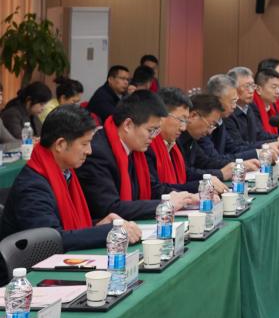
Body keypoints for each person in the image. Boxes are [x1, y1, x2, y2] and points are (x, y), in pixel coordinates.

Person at [0, 105, 143, 250]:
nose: (89, 151)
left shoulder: (65, 173)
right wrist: (108, 232)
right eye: (84, 144)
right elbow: (49, 241)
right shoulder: (32, 187)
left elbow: (68, 227)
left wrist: (99, 225)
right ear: (60, 144)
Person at [76, 90, 195, 221]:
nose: (154, 137)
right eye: (151, 130)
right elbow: (110, 208)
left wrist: (186, 198)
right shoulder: (97, 153)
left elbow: (152, 188)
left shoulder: (135, 147)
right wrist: (165, 205)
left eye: (157, 130)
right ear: (128, 125)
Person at [146, 87, 227, 193]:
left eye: (185, 121)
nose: (183, 128)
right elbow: (155, 189)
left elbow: (185, 172)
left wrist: (207, 180)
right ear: (162, 115)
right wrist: (200, 186)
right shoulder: (147, 145)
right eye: (181, 120)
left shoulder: (173, 143)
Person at [176, 93, 254, 179]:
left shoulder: (191, 139)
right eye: (210, 124)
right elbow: (185, 174)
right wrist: (220, 174)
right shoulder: (177, 138)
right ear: (193, 116)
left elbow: (206, 162)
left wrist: (238, 165)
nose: (209, 132)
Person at [224, 66, 279, 147]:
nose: (251, 91)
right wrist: (272, 143)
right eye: (247, 86)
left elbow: (260, 135)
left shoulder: (250, 107)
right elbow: (239, 146)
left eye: (252, 86)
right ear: (233, 89)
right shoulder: (228, 113)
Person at [251, 68, 279, 136]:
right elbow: (259, 136)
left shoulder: (273, 106)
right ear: (258, 89)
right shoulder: (251, 108)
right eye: (274, 87)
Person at [0, 84, 20, 153]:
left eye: (0, 94)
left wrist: (28, 142)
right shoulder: (12, 113)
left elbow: (10, 141)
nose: (0, 99)